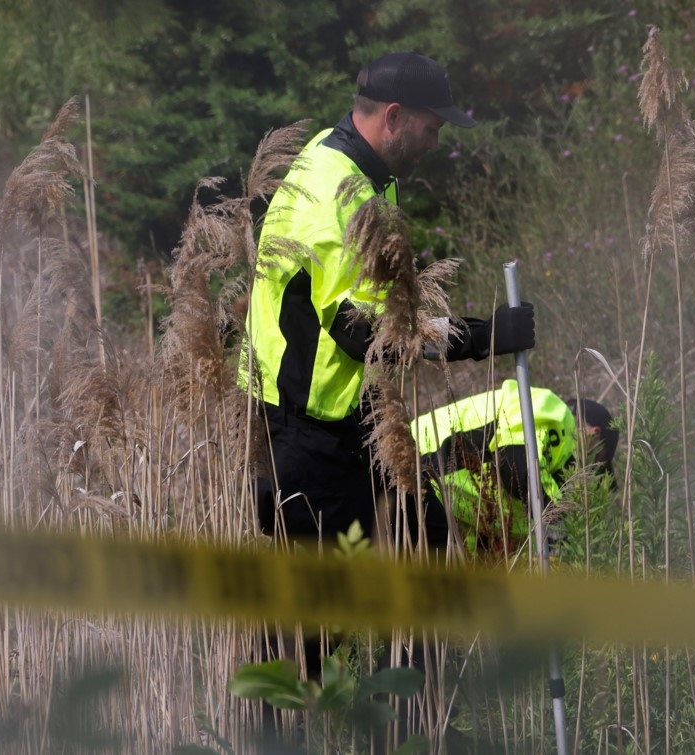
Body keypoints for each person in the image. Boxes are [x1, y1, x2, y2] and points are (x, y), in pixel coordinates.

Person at [239, 51, 534, 553]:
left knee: (430, 554)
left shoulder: (360, 169)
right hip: (302, 433)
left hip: (350, 420)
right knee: (313, 626)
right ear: (394, 117)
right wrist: (484, 337)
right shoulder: (337, 190)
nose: (435, 143)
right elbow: (367, 335)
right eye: (432, 127)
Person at [412, 379, 618, 555]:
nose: (589, 469)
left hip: (430, 495)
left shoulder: (550, 465)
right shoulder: (554, 412)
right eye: (597, 459)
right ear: (594, 433)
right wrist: (562, 528)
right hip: (414, 464)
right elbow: (516, 466)